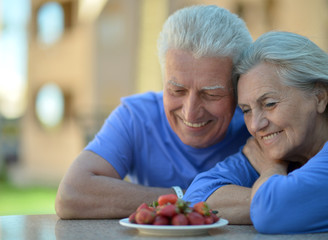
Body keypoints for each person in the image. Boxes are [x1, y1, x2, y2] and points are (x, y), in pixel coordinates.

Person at [55, 5, 253, 219]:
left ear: (238, 89)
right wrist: (189, 199)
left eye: (211, 95)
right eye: (177, 90)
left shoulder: (258, 125)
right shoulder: (136, 117)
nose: (191, 113)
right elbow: (72, 195)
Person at [183, 31, 328, 234]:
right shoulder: (279, 147)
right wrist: (289, 200)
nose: (256, 125)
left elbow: (271, 213)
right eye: (247, 111)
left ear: (319, 97)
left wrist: (270, 172)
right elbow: (196, 199)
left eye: (269, 104)